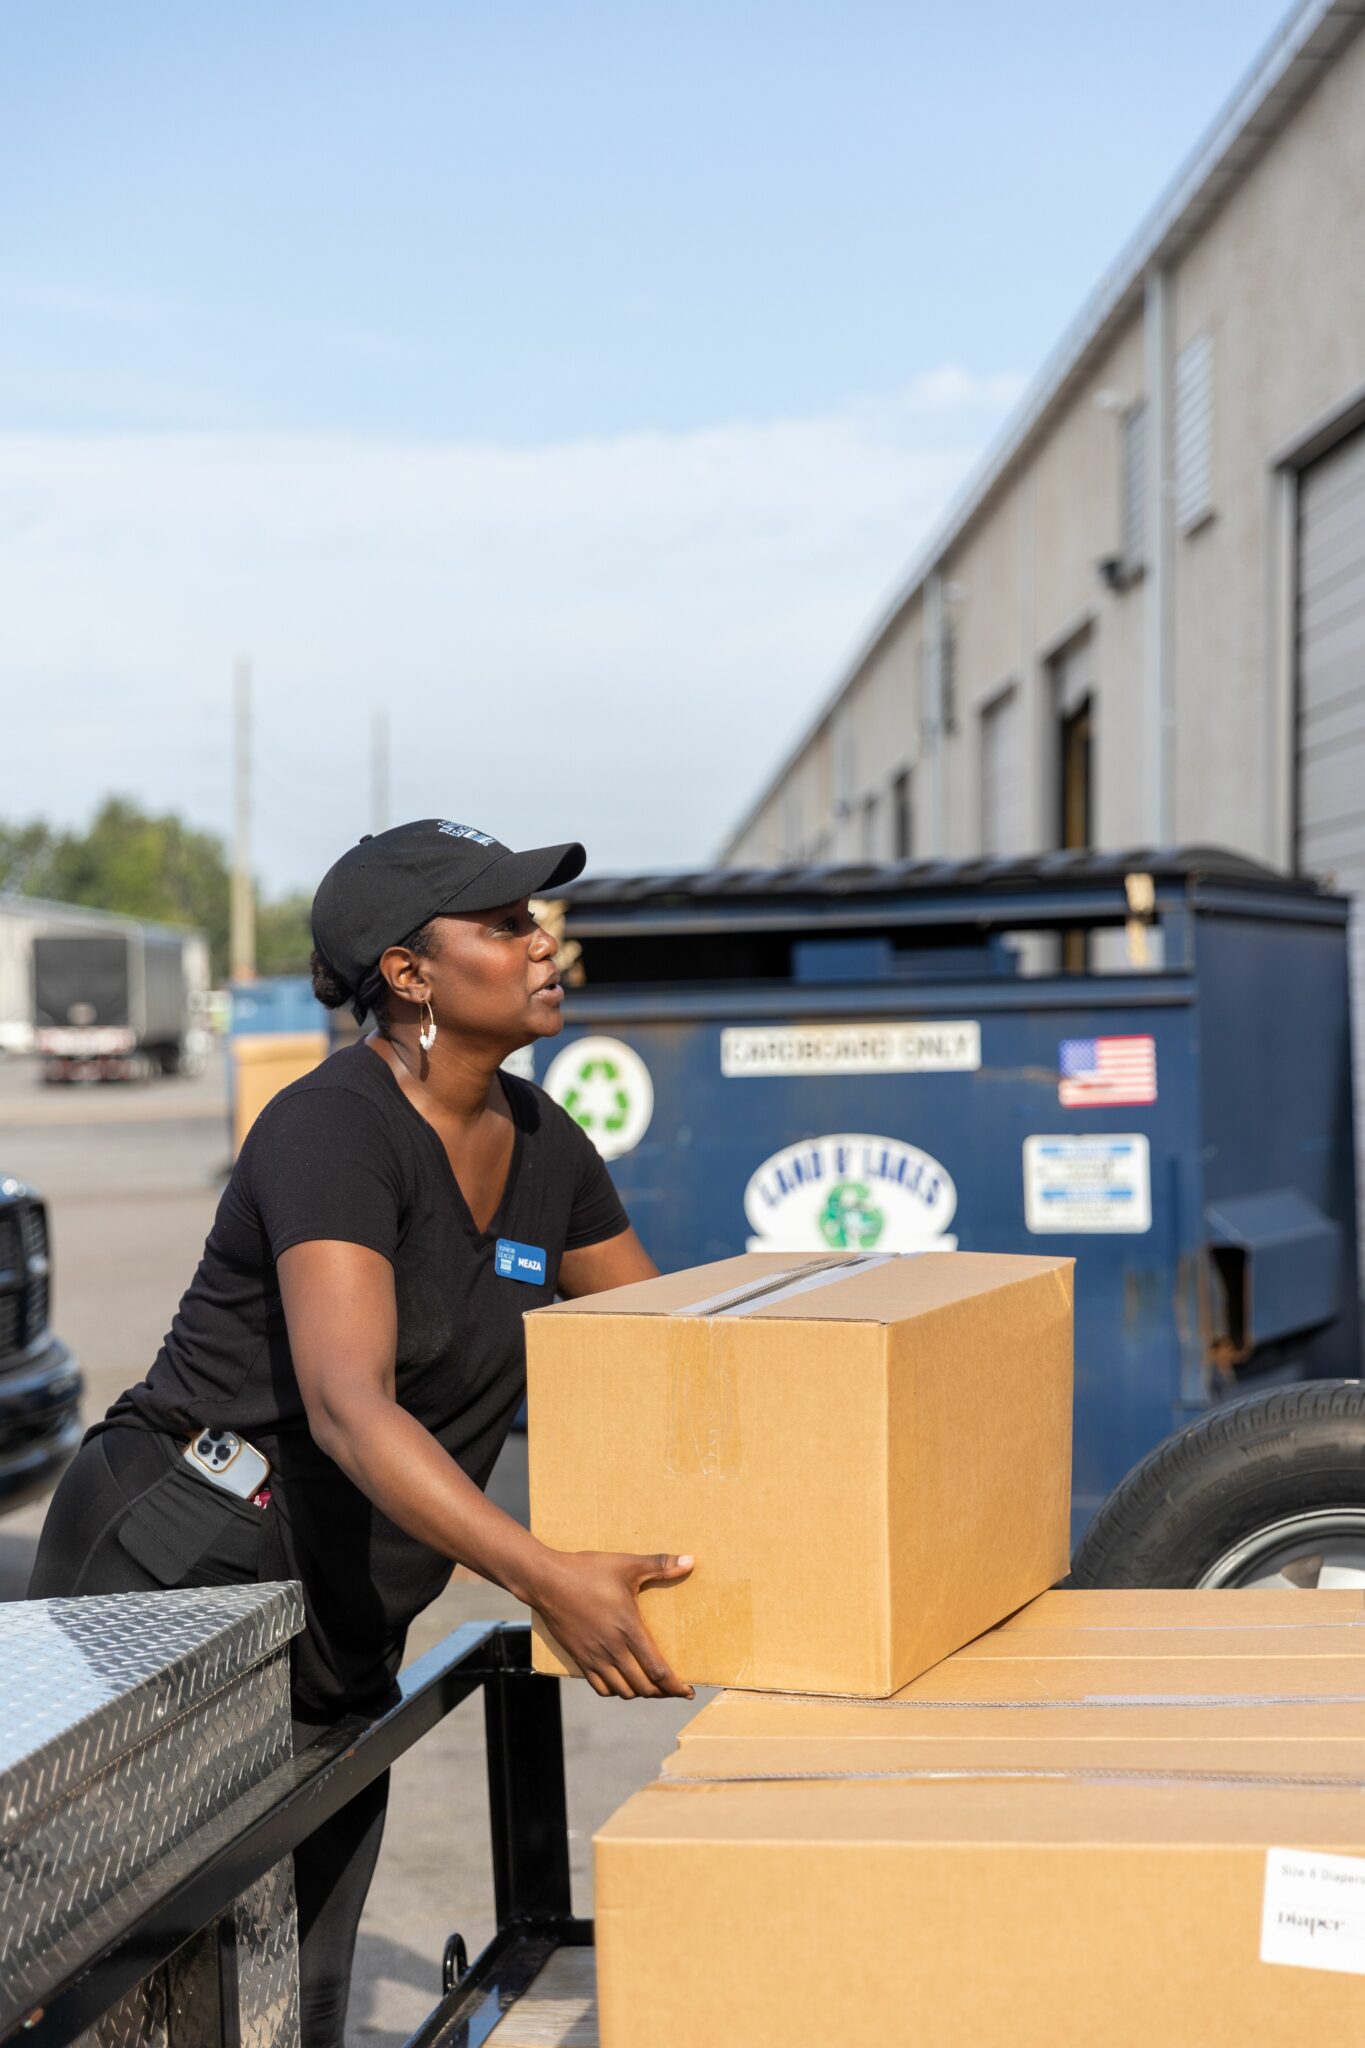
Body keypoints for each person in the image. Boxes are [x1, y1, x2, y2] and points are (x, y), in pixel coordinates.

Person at [29, 818, 694, 2048]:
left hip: (344, 1595)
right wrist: (549, 1577)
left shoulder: (545, 1143)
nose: (541, 944)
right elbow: (348, 1404)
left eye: (535, 919)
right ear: (408, 972)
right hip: (182, 1558)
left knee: (300, 1994)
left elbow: (670, 1342)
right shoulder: (330, 1127)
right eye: (503, 924)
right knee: (123, 1995)